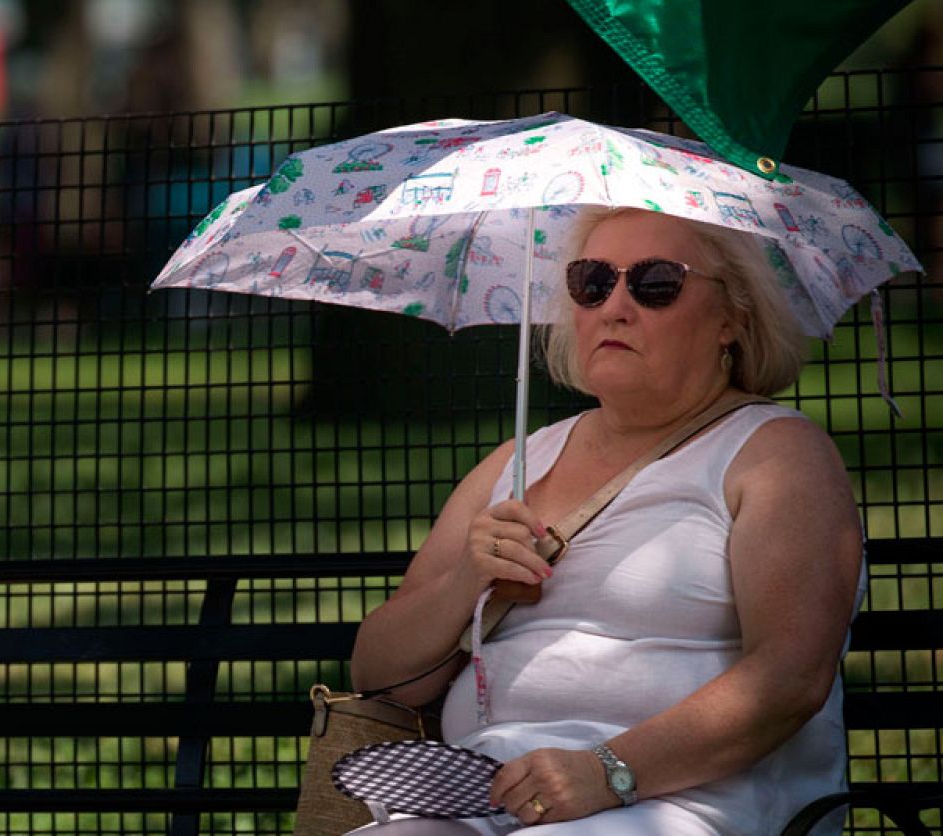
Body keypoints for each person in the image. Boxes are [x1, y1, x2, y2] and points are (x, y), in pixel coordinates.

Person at [348, 207, 865, 835]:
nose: (613, 307)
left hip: (686, 804)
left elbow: (789, 678)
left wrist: (609, 771)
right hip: (485, 796)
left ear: (732, 316)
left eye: (655, 285)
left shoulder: (776, 454)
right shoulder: (518, 461)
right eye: (591, 282)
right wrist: (464, 581)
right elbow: (379, 676)